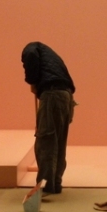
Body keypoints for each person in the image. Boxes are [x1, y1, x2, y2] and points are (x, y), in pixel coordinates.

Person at [21, 42, 76, 195]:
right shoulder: (51, 56)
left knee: (46, 141)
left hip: (52, 94)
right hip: (66, 96)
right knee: (58, 141)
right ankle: (55, 184)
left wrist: (32, 81)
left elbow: (30, 55)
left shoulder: (32, 48)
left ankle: (45, 186)